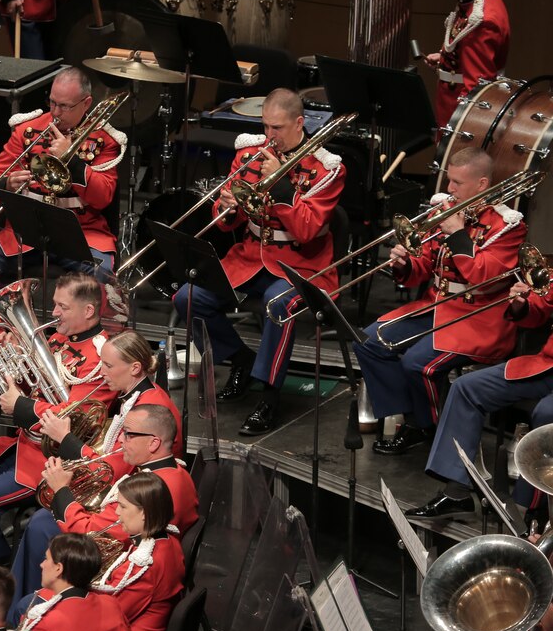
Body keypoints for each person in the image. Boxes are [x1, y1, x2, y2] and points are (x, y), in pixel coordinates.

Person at [174, 88, 344, 436]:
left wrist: (281, 186)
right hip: (251, 257)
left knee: (277, 304)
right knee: (187, 297)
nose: (270, 136)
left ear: (299, 123)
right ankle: (240, 360)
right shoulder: (250, 154)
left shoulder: (327, 169)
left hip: (302, 265)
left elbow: (309, 231)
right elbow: (227, 223)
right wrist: (224, 207)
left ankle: (269, 396)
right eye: (265, 127)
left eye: (277, 128)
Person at [0, 273, 117, 562]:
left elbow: (75, 419)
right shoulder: (56, 338)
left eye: (62, 307)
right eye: (54, 304)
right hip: (22, 445)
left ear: (89, 311)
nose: (53, 313)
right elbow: (34, 386)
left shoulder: (101, 357)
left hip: (53, 461)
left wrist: (21, 404)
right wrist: (14, 359)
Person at [354, 147, 524, 456]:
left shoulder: (508, 227)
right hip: (435, 306)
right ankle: (410, 418)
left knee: (419, 365)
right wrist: (404, 263)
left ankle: (429, 428)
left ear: (482, 184)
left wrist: (459, 234)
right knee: (368, 343)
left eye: (457, 183)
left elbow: (483, 276)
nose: (449, 189)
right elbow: (422, 270)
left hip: (477, 318)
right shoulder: (443, 212)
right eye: (449, 181)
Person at [12, 403, 198, 604]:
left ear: (153, 443)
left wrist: (61, 490)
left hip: (113, 567)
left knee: (41, 525)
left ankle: (24, 606)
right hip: (141, 555)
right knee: (43, 520)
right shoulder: (177, 473)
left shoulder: (150, 491)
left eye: (128, 434)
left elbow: (91, 535)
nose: (120, 439)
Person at [409, 278, 553, 518]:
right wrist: (522, 304)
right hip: (547, 365)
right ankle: (457, 493)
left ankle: (527, 509)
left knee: (547, 414)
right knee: (467, 388)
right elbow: (539, 310)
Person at [0, 67, 123, 282]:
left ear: (86, 103)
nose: (55, 113)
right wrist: (7, 184)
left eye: (64, 106)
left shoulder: (105, 140)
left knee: (100, 277)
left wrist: (72, 162)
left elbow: (103, 197)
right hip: (26, 232)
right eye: (52, 102)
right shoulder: (27, 130)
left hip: (82, 235)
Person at [38, 329, 184, 472]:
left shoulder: (146, 410)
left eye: (108, 365)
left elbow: (111, 470)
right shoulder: (139, 394)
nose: (102, 372)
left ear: (135, 368)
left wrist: (65, 438)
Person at [14, 533, 135, 631]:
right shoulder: (111, 604)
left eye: (46, 559)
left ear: (58, 568)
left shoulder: (46, 624)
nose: (42, 564)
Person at [93, 471, 184, 631]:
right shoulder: (169, 541)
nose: (117, 512)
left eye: (123, 506)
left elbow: (107, 617)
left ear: (143, 512)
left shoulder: (144, 566)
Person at [424, 0, 509, 129]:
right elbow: (468, 50)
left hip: (459, 120)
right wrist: (444, 58)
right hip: (447, 107)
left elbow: (476, 89)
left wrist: (456, 133)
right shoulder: (475, 0)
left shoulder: (483, 20)